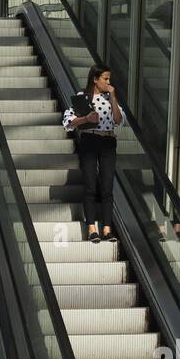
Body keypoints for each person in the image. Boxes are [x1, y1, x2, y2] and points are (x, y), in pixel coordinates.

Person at [62, 66, 125, 243]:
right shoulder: (83, 97)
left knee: (107, 186)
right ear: (95, 79)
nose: (109, 82)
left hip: (108, 142)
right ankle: (91, 228)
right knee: (90, 184)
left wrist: (113, 96)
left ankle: (107, 228)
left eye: (109, 79)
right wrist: (86, 119)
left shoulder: (110, 98)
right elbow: (69, 122)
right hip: (89, 140)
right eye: (106, 79)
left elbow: (119, 121)